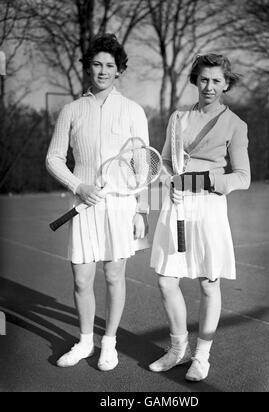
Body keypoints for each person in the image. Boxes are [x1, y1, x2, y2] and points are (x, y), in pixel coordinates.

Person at [46, 33, 150, 371]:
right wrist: (79, 185)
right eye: (97, 64)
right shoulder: (72, 110)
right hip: (85, 204)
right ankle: (86, 341)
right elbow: (53, 159)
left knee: (115, 274)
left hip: (121, 206)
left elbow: (143, 165)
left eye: (110, 65)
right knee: (81, 279)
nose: (103, 71)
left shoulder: (134, 111)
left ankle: (109, 343)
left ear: (119, 70)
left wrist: (140, 209)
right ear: (89, 67)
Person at [149, 53, 251, 381]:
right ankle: (178, 350)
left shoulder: (236, 125)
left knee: (209, 284)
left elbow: (242, 177)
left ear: (226, 84)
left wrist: (205, 181)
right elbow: (164, 161)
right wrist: (168, 180)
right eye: (204, 79)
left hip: (208, 208)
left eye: (216, 81)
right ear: (196, 80)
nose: (209, 86)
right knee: (167, 281)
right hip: (176, 204)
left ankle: (202, 357)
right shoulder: (177, 118)